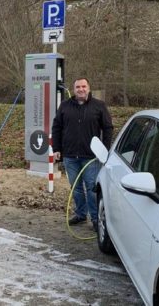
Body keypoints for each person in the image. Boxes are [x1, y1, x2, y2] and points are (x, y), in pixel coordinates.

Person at [52, 77, 113, 232]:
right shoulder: (65, 106)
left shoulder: (99, 106)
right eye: (78, 87)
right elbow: (57, 127)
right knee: (76, 188)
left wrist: (104, 151)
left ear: (89, 88)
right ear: (74, 90)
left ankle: (95, 217)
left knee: (92, 188)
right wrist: (56, 148)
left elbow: (107, 128)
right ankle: (80, 214)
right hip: (70, 156)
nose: (81, 89)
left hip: (91, 157)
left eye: (83, 86)